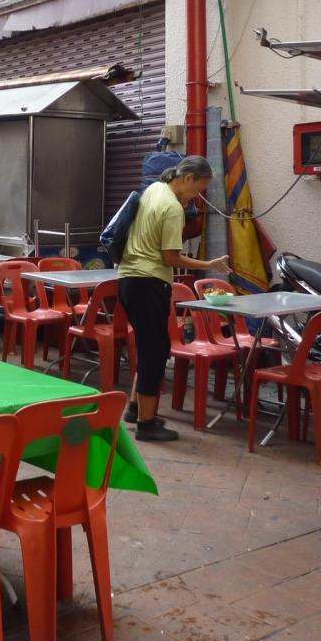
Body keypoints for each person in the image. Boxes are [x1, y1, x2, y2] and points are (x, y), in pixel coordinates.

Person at [117, 156, 230, 442]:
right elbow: (170, 257)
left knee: (150, 347)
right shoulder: (172, 208)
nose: (197, 196)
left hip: (129, 280)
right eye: (199, 188)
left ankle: (135, 409)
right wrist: (209, 264)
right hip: (148, 283)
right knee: (154, 353)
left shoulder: (155, 188)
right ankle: (146, 424)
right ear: (188, 178)